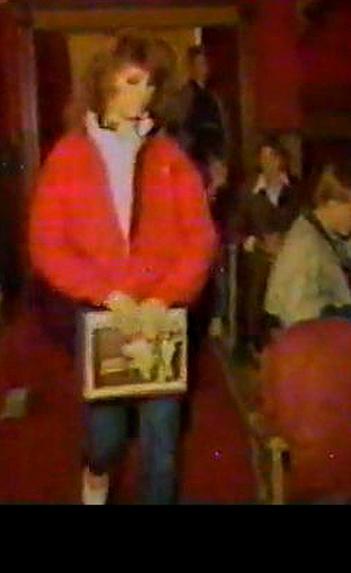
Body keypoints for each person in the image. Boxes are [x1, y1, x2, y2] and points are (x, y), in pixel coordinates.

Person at [29, 34, 217, 505]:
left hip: (161, 316)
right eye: (132, 82)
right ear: (105, 85)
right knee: (106, 437)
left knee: (162, 444)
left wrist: (166, 296)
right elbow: (47, 246)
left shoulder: (171, 158)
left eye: (150, 85)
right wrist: (104, 293)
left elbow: (201, 238)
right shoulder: (68, 158)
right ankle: (96, 475)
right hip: (102, 315)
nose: (143, 95)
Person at [264, 159, 351, 331]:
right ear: (332, 203)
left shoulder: (328, 229)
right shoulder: (305, 245)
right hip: (302, 344)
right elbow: (304, 316)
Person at [231, 137, 304, 353]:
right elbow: (235, 228)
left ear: (282, 160)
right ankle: (255, 341)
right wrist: (259, 242)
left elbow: (306, 222)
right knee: (258, 273)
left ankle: (292, 336)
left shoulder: (295, 189)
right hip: (258, 253)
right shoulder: (248, 191)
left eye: (272, 157)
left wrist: (286, 242)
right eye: (263, 158)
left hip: (290, 251)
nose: (268, 163)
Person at [175, 45, 229, 187]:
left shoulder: (214, 97)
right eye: (199, 64)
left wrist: (221, 158)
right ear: (191, 68)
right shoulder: (185, 96)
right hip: (194, 157)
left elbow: (222, 129)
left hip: (215, 156)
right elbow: (182, 129)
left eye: (205, 64)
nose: (203, 68)